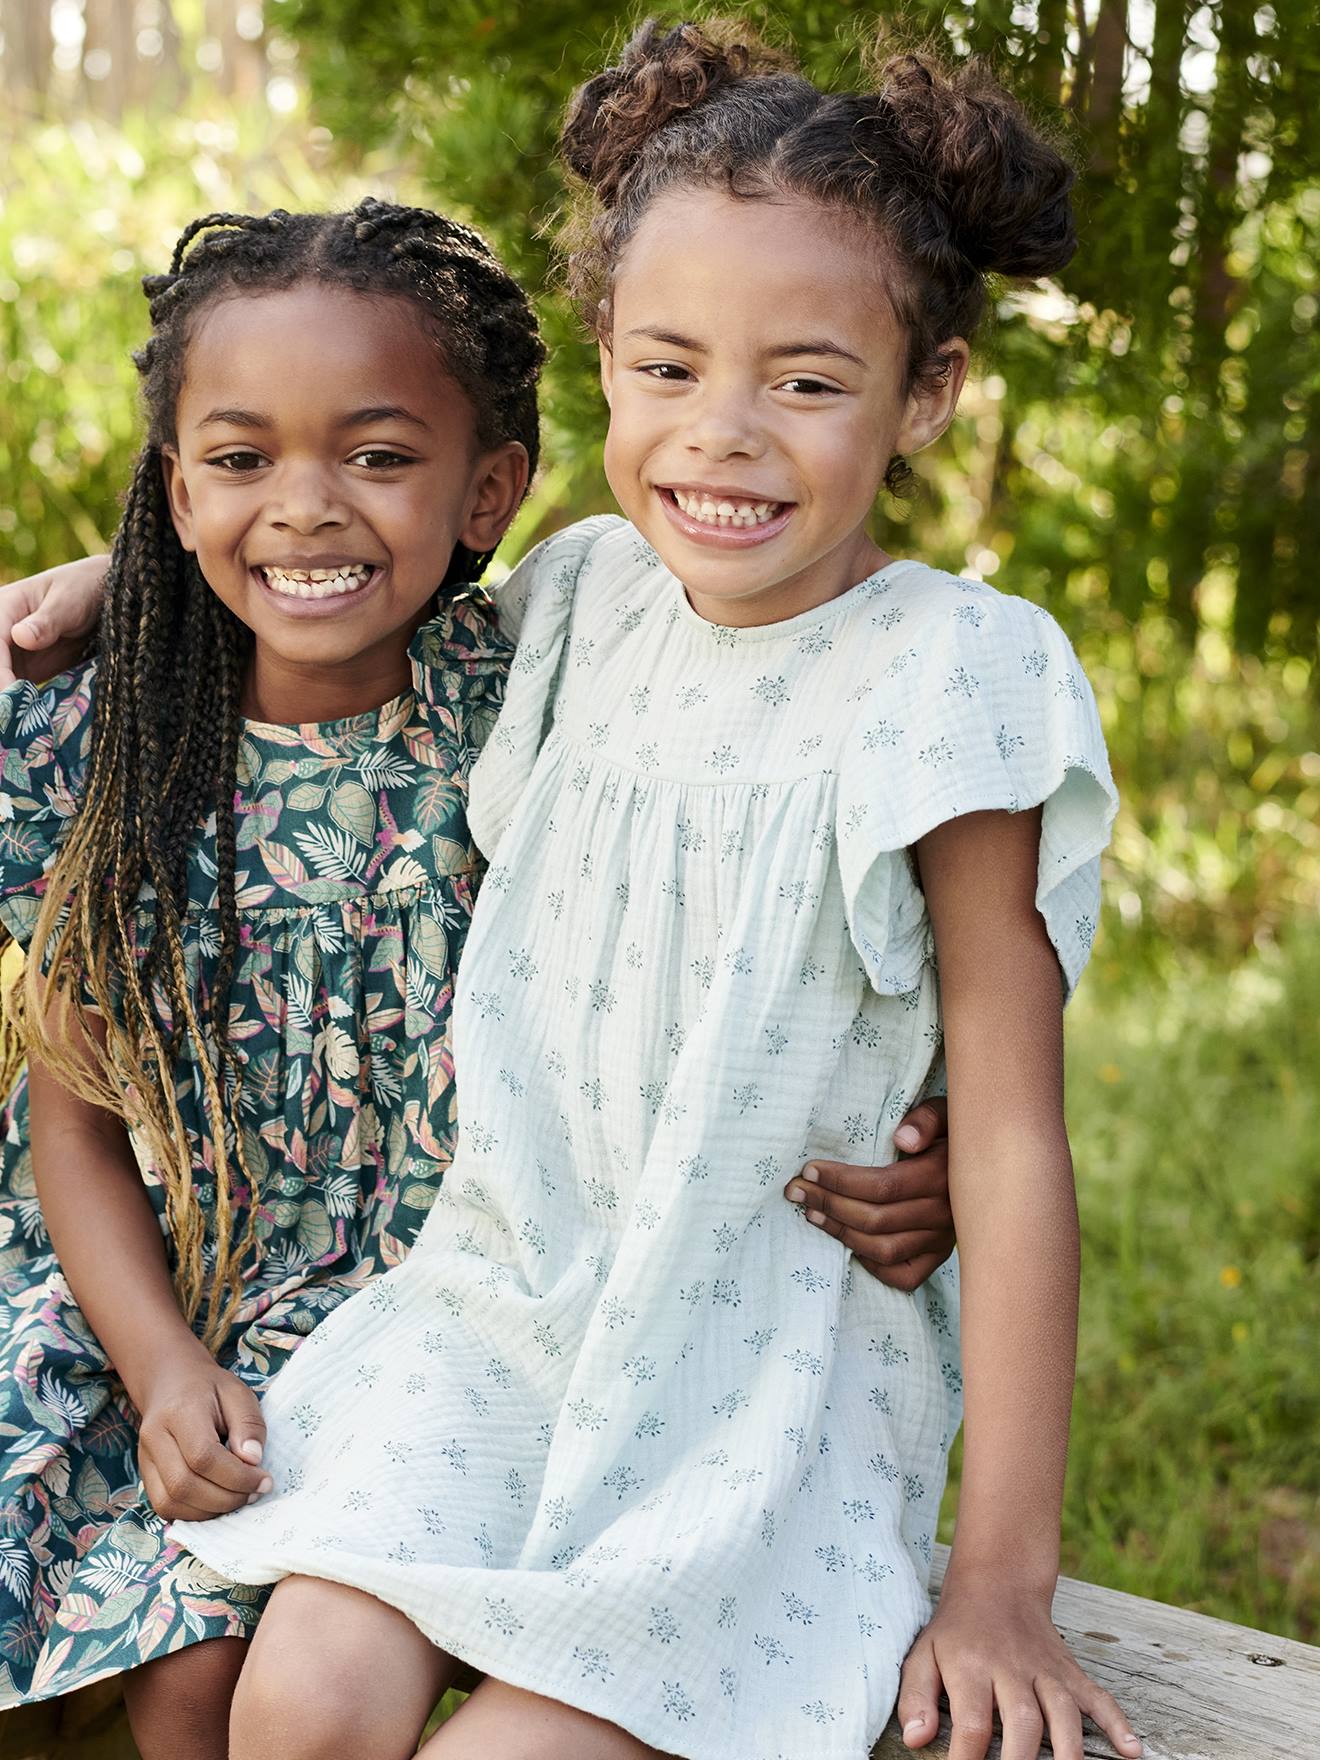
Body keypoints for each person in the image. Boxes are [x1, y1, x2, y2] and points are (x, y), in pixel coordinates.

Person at [166, 20, 1140, 1760]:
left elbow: (1010, 1131)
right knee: (295, 1707)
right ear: (605, 359)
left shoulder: (950, 677)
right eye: (669, 368)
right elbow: (332, 573)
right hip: (501, 1320)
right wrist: (116, 579)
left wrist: (1002, 1582)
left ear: (929, 393)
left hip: (761, 1387)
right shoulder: (588, 595)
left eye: (809, 382)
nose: (725, 439)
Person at [0, 197, 957, 1756]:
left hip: (488, 1295)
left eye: (376, 459)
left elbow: (780, 710)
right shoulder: (117, 754)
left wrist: (941, 1144)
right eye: (241, 463)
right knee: (185, 1679)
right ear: (174, 492)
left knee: (250, 1669)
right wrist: (164, 1365)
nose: (307, 509)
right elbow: (75, 1117)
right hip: (180, 1302)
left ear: (490, 490)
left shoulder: (536, 688)